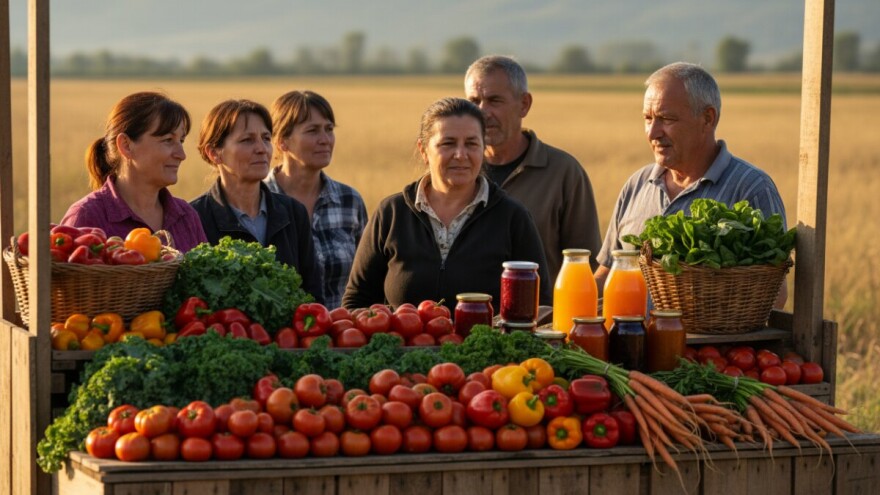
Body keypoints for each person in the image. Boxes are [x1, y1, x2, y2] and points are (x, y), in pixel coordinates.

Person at [594, 62, 788, 306]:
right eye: (647, 118)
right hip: (627, 342)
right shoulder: (637, 184)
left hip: (706, 345)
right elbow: (607, 271)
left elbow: (775, 293)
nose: (653, 132)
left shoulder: (751, 188)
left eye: (666, 118)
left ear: (708, 119)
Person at [342, 97, 551, 314]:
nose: (461, 155)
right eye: (447, 143)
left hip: (487, 348)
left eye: (471, 143)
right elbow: (356, 301)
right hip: (403, 348)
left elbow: (539, 305)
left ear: (483, 149)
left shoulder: (512, 217)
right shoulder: (392, 214)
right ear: (423, 150)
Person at [464, 55, 602, 282]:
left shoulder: (564, 173)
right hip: (469, 314)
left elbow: (586, 266)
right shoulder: (457, 170)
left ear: (524, 104)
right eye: (474, 101)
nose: (482, 112)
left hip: (542, 317)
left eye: (494, 101)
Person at [190, 99, 323, 301]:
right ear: (214, 153)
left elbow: (313, 298)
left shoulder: (294, 213)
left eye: (266, 138)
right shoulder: (195, 218)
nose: (262, 149)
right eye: (247, 140)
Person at [60, 91, 207, 252]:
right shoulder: (87, 216)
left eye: (181, 141)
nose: (181, 155)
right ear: (126, 145)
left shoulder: (186, 216)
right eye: (168, 140)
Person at [266, 90, 368, 310]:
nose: (325, 140)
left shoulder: (350, 201)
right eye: (312, 131)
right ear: (282, 141)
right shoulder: (260, 201)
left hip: (345, 336)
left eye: (329, 129)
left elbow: (368, 278)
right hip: (281, 339)